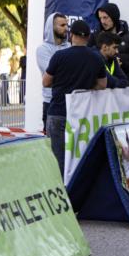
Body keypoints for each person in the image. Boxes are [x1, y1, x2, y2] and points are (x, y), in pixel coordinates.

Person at [43, 21, 107, 175]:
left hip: (58, 111)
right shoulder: (96, 58)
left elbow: (45, 82)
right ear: (88, 37)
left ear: (71, 35)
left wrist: (62, 84)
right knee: (78, 157)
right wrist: (85, 87)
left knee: (57, 159)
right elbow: (102, 85)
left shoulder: (59, 56)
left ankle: (62, 192)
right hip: (81, 114)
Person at [90, 4, 129, 85]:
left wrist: (122, 63)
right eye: (100, 18)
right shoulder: (95, 36)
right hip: (100, 91)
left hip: (124, 89)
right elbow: (88, 61)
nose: (102, 21)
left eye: (105, 17)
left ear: (114, 17)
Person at [37, 13, 70, 125]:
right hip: (51, 102)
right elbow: (52, 75)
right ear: (52, 27)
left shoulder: (70, 47)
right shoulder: (42, 49)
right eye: (62, 25)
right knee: (51, 142)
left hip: (71, 102)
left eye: (67, 25)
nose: (66, 28)